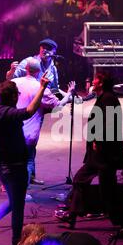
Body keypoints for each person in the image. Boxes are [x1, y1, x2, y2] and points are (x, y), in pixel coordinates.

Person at [0, 74, 50, 245]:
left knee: (15, 200)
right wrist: (42, 88)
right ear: (14, 96)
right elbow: (29, 111)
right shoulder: (9, 113)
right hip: (15, 167)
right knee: (18, 207)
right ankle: (16, 244)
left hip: (1, 166)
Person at [56, 71, 123, 232]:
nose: (92, 82)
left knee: (107, 191)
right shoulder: (103, 98)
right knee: (80, 180)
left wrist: (97, 140)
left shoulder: (109, 99)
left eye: (95, 80)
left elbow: (109, 124)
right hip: (98, 154)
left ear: (101, 83)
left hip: (105, 154)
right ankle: (73, 215)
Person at [14, 57, 75, 189]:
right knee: (28, 160)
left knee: (16, 158)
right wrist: (69, 94)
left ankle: (20, 183)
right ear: (39, 71)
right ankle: (23, 190)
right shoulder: (40, 88)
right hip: (30, 132)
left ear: (26, 69)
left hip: (13, 130)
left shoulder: (14, 82)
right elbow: (57, 106)